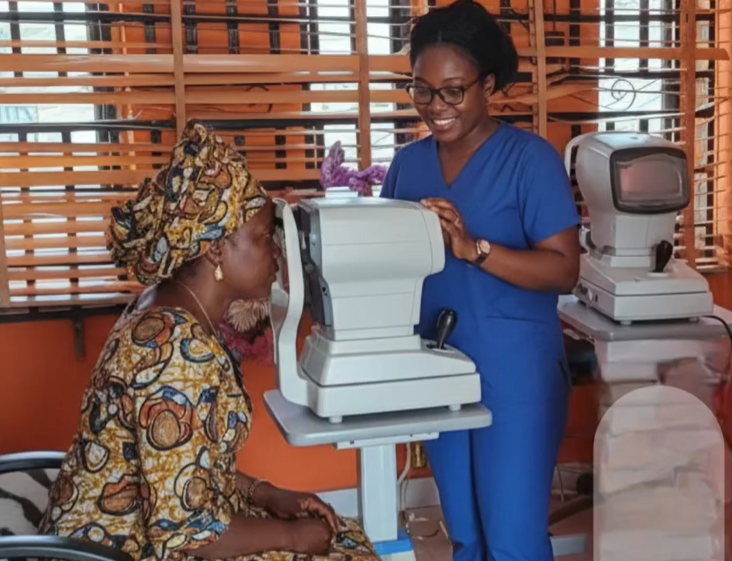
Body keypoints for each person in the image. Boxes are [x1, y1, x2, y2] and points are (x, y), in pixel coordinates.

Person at [38, 120, 378, 561]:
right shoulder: (175, 352)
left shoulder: (166, 309)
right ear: (215, 248)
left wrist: (265, 493)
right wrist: (290, 537)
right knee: (342, 551)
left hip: (145, 527)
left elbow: (178, 464)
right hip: (123, 549)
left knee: (341, 537)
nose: (276, 252)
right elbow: (187, 533)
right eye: (263, 237)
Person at [379, 2, 581, 560]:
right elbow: (389, 263)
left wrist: (475, 250)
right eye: (422, 91)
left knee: (512, 539)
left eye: (453, 91)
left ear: (487, 85)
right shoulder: (407, 167)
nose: (435, 107)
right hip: (439, 366)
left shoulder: (530, 160)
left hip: (515, 371)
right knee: (465, 535)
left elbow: (564, 269)